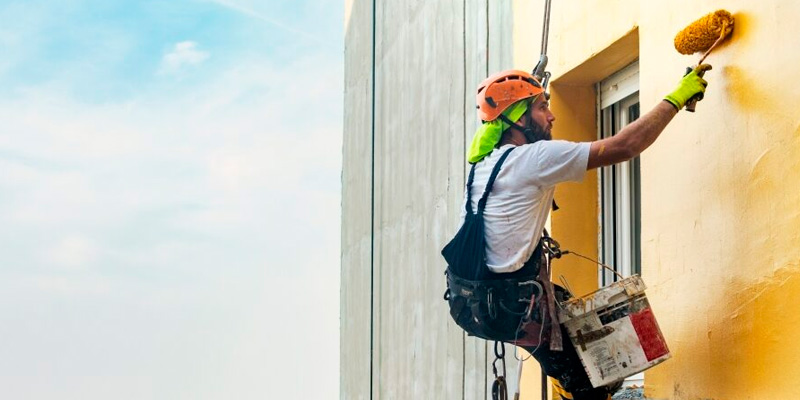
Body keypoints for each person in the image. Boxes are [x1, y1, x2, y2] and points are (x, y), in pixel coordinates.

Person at [443, 65, 712, 400]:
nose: (552, 116)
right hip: (512, 304)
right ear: (516, 120)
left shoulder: (485, 165)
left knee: (570, 324)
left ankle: (565, 381)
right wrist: (676, 97)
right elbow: (625, 145)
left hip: (474, 302)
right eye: (542, 107)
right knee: (592, 382)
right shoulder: (533, 158)